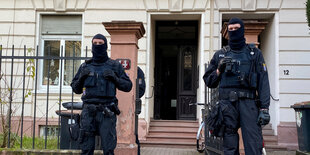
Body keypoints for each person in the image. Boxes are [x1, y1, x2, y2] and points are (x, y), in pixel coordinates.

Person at [203, 17, 270, 155]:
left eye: (236, 28)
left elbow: (263, 82)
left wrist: (264, 108)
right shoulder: (220, 54)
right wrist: (218, 70)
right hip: (227, 106)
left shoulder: (254, 54)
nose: (233, 31)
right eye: (230, 29)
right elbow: (209, 81)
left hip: (249, 104)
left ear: (242, 30)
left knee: (254, 144)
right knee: (229, 147)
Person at [71, 34, 132, 155]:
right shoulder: (85, 66)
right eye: (95, 43)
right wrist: (81, 77)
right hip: (88, 112)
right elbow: (75, 88)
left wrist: (115, 78)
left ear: (105, 46)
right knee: (86, 149)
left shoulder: (114, 66)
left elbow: (128, 86)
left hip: (106, 112)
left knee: (108, 149)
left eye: (100, 43)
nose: (98, 46)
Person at [136, 66, 145, 155]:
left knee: (134, 135)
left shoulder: (137, 71)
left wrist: (134, 97)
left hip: (132, 105)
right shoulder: (115, 66)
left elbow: (141, 88)